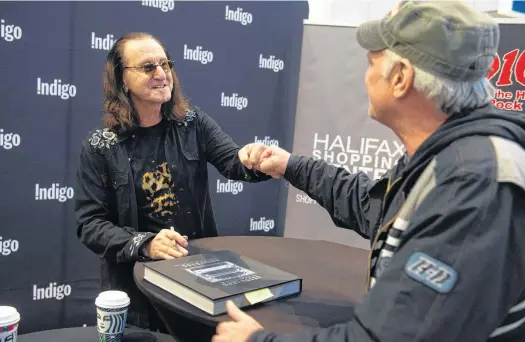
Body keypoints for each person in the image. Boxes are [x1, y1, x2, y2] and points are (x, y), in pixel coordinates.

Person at [213, 1, 525, 341]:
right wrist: (291, 165)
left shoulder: (473, 180)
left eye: (371, 62)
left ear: (401, 78)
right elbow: (374, 208)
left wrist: (257, 340)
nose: (366, 75)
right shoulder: (450, 153)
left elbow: (389, 337)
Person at [74, 32, 271, 332]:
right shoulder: (100, 146)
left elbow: (235, 163)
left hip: (199, 282)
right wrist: (146, 243)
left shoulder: (194, 123)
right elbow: (90, 224)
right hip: (137, 292)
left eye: (165, 64)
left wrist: (257, 159)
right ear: (122, 80)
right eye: (148, 67)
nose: (162, 74)